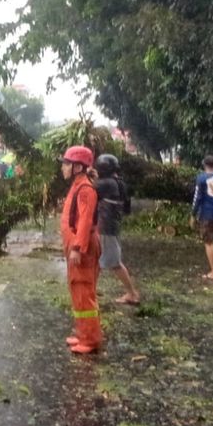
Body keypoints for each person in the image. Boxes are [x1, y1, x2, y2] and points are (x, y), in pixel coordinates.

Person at [60, 145, 102, 354]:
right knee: (77, 291)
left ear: (78, 167)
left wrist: (77, 247)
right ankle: (82, 333)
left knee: (84, 291)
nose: (63, 168)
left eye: (66, 164)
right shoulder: (78, 185)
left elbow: (84, 221)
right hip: (76, 247)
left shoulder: (85, 189)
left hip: (82, 249)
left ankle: (90, 339)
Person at [95, 154, 140, 304]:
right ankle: (91, 289)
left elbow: (88, 189)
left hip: (106, 227)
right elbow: (127, 209)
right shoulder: (120, 182)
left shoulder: (105, 183)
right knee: (96, 259)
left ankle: (132, 294)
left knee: (114, 263)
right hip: (113, 225)